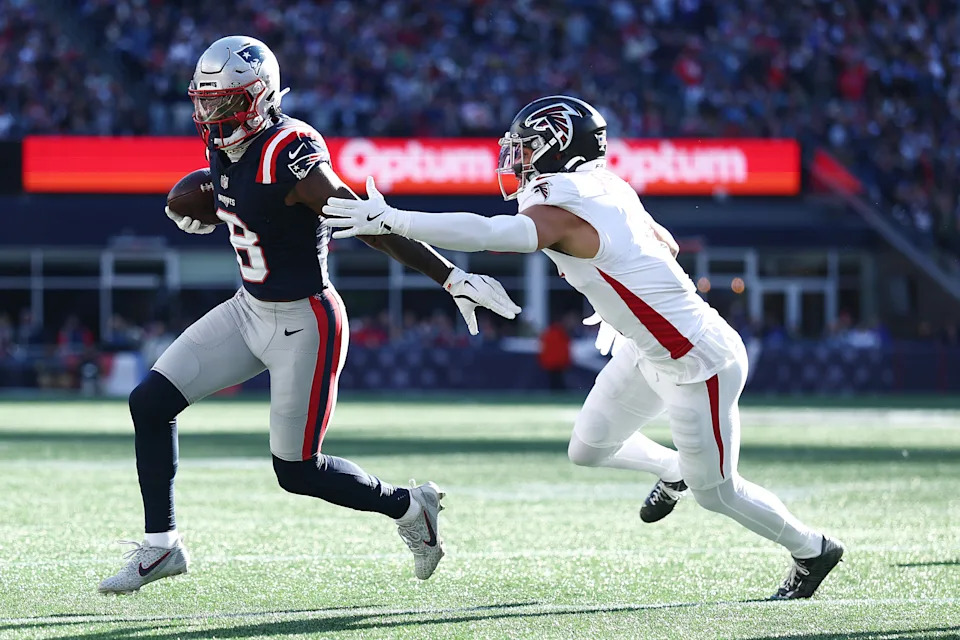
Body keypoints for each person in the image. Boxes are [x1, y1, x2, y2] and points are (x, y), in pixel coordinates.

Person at [322, 95, 845, 600]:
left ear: (558, 145)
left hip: (695, 362)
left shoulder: (569, 203)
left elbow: (492, 233)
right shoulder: (600, 183)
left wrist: (397, 219)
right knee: (589, 449)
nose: (516, 157)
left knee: (718, 493)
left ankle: (813, 549)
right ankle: (672, 469)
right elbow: (665, 241)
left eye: (526, 145)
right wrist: (621, 303)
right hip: (647, 349)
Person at [98, 36, 521, 594]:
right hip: (249, 309)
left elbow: (366, 222)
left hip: (305, 322)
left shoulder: (291, 150)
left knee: (296, 472)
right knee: (149, 403)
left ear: (258, 97)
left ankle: (409, 507)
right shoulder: (223, 146)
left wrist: (451, 277)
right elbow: (241, 199)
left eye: (223, 102)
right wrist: (208, 202)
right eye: (204, 100)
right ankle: (162, 546)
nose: (209, 113)